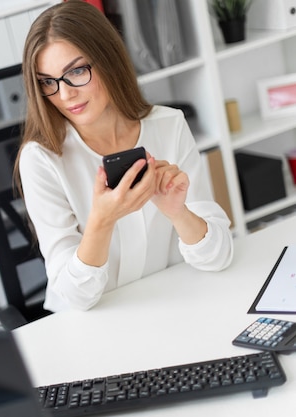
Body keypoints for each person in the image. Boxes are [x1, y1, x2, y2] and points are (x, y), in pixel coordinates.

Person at [16, 0, 233, 313]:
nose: (64, 95)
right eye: (48, 82)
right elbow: (73, 297)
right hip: (96, 323)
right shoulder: (41, 159)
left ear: (109, 60)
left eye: (76, 72)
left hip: (172, 308)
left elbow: (219, 256)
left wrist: (177, 212)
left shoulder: (168, 125)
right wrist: (102, 221)